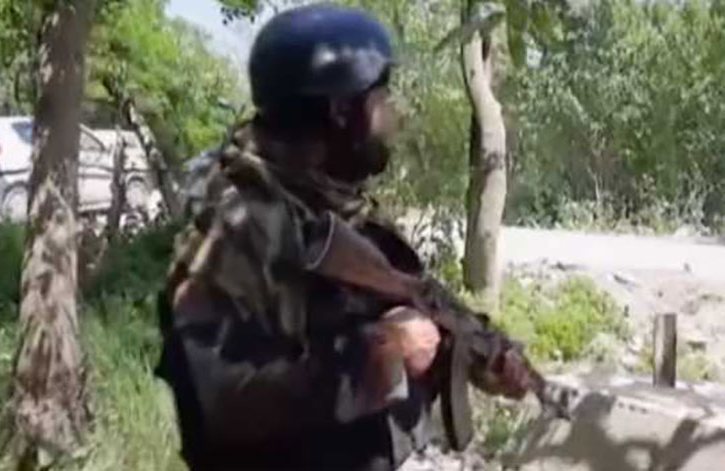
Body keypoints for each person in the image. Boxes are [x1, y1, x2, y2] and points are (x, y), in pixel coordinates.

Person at [155, 4, 527, 470]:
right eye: (383, 100)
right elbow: (215, 405)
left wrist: (484, 356)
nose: (396, 116)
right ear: (341, 112)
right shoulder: (236, 228)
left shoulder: (333, 203)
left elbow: (413, 298)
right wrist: (379, 356)